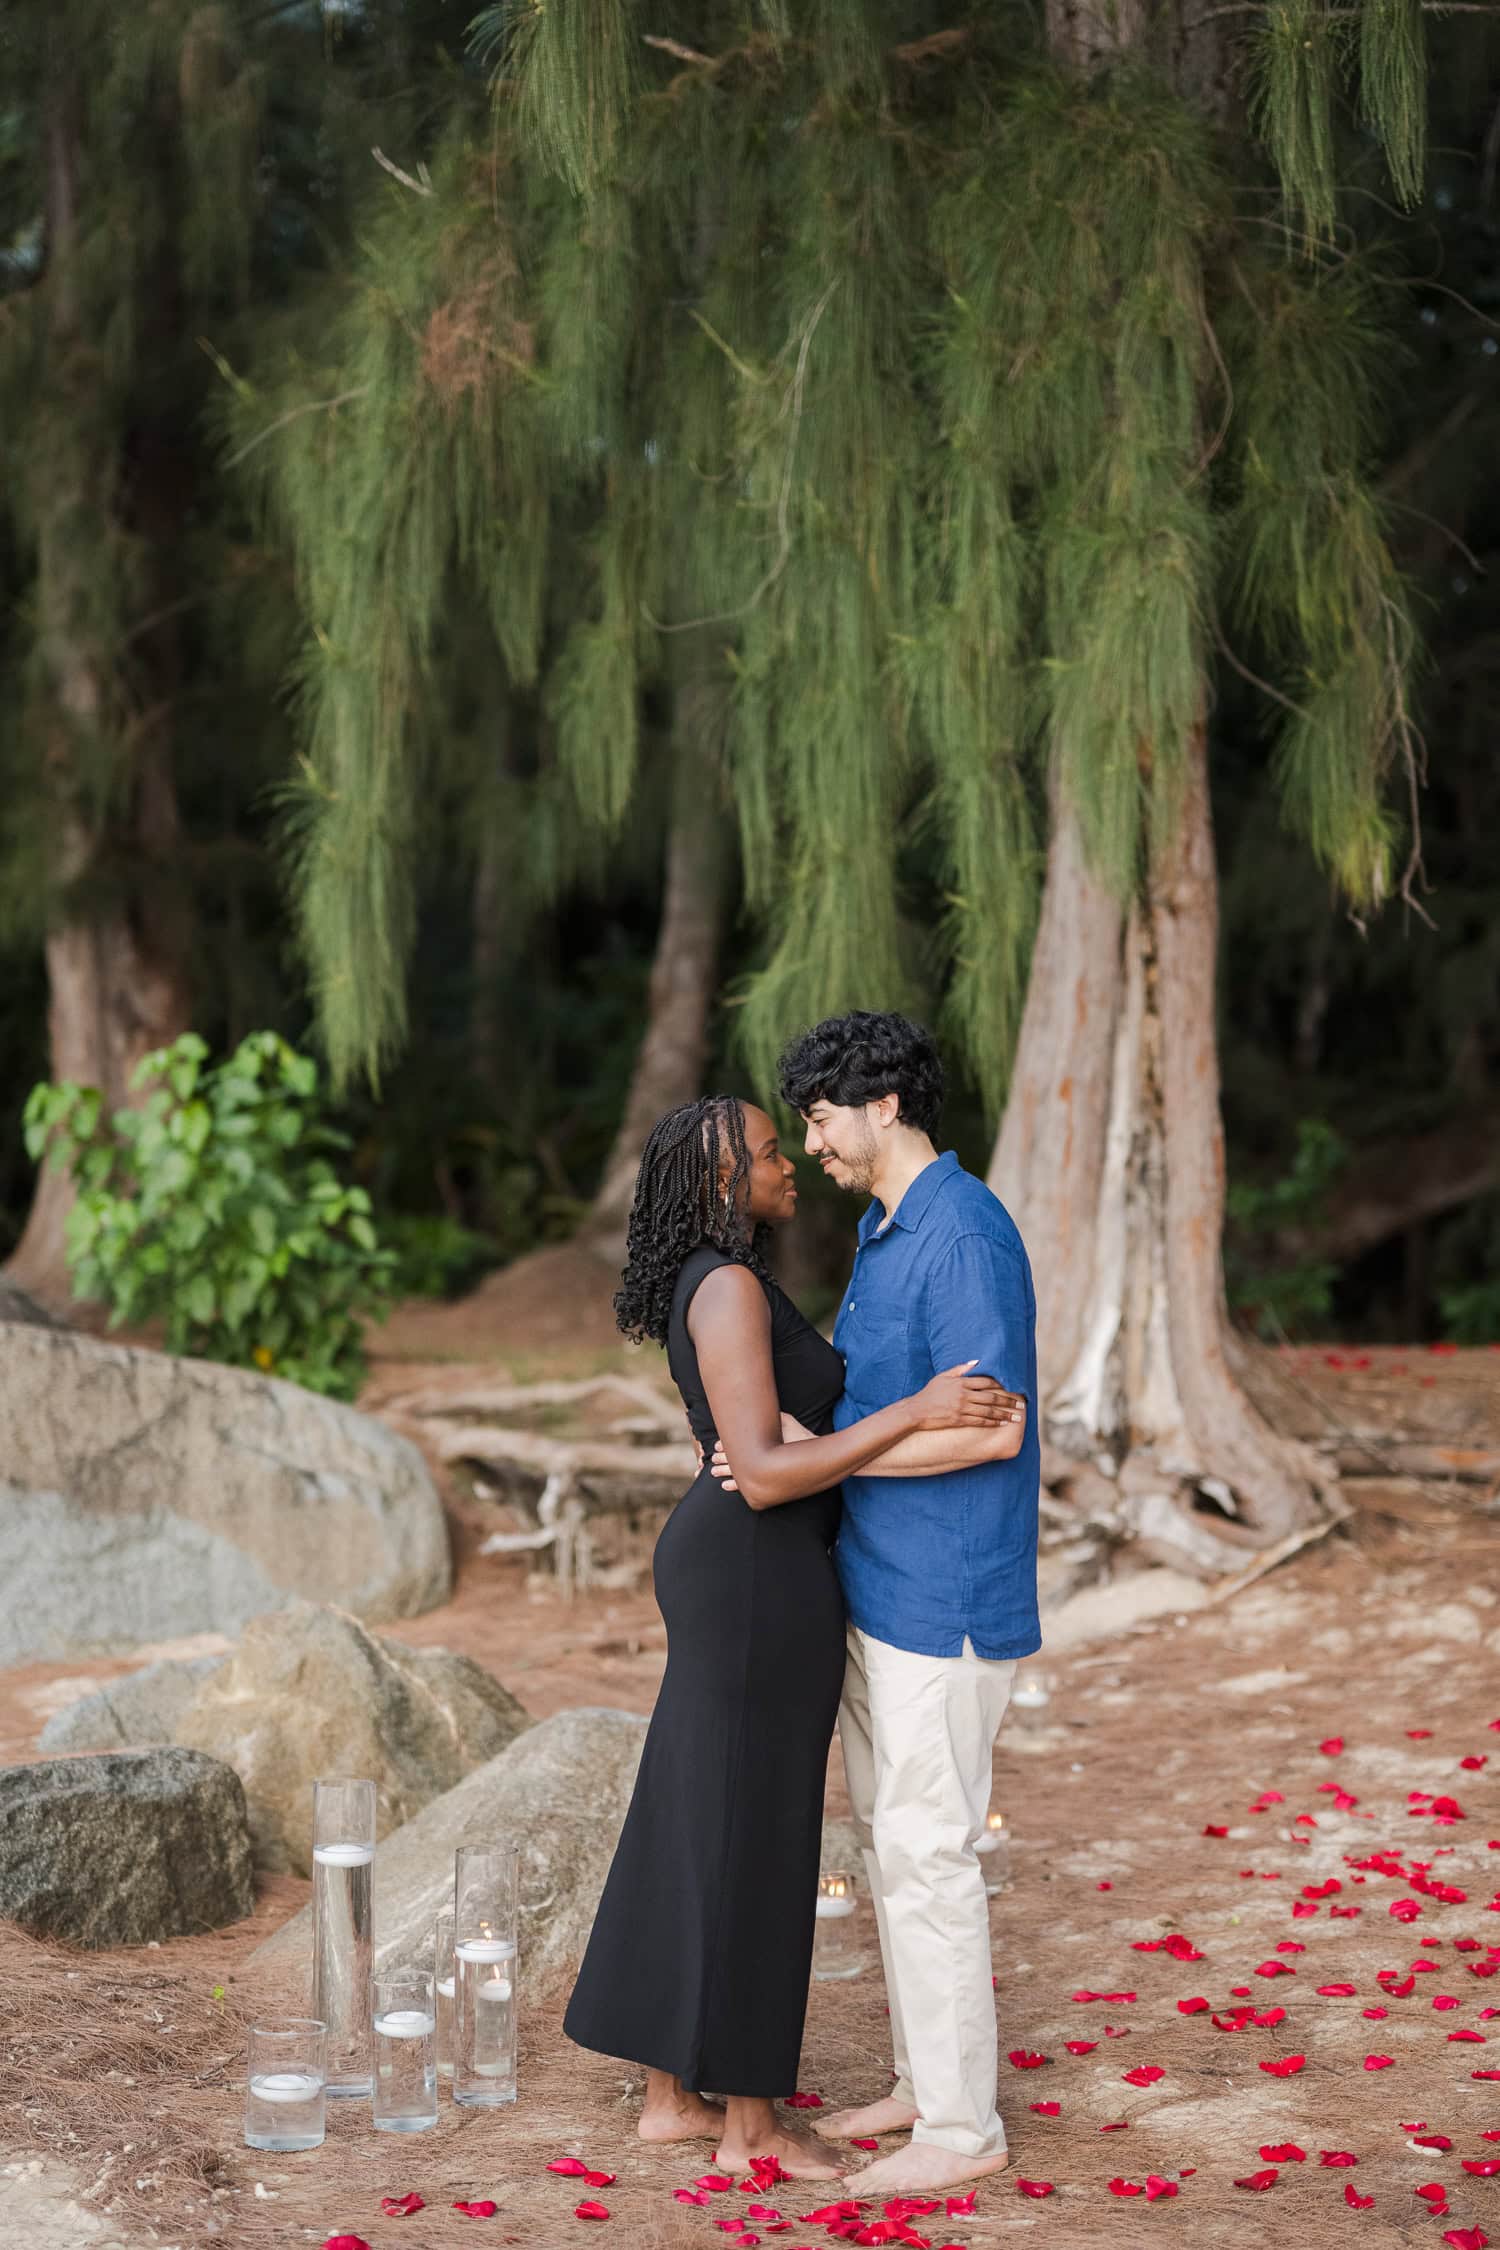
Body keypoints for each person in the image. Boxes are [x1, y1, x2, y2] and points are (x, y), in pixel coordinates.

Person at [563, 1093, 1023, 2182]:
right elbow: (765, 1475)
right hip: (758, 1579)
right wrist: (913, 1413)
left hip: (738, 1573)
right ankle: (752, 2125)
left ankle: (672, 2096)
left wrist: (836, 1432)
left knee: (691, 1810)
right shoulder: (724, 1286)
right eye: (771, 1155)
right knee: (759, 1838)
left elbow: (767, 1446)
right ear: (723, 1182)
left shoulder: (723, 1281)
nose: (790, 1168)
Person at [715, 1012, 1041, 2194]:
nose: (812, 1141)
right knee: (894, 1852)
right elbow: (902, 1413)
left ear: (885, 1105)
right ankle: (923, 2084)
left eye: (820, 1115)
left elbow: (993, 1425)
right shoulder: (884, 1230)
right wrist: (832, 1445)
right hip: (875, 1589)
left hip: (946, 1600)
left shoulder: (965, 1233)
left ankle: (963, 2133)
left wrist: (823, 1445)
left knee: (929, 1854)